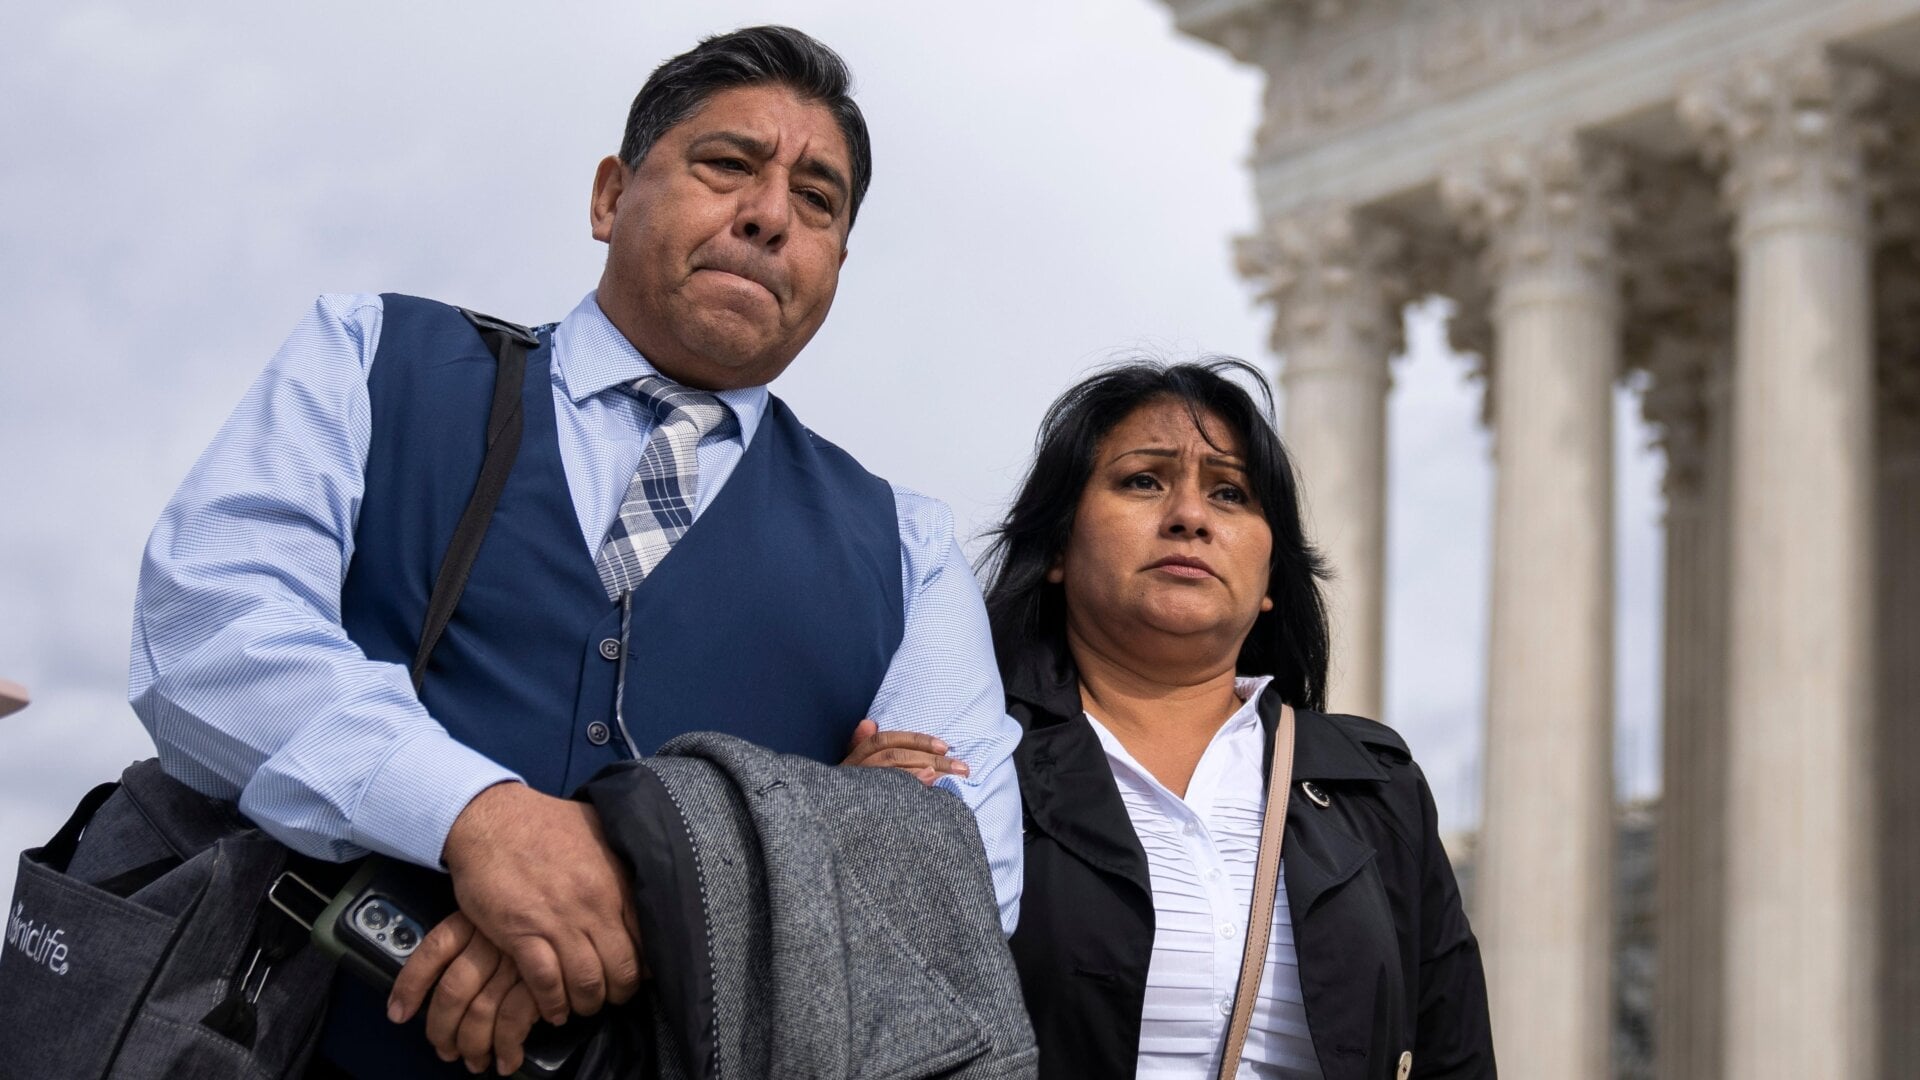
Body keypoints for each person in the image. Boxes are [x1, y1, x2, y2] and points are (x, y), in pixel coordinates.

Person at [127, 26, 1022, 1078]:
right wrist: (480, 820)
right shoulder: (373, 356)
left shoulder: (907, 545)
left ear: (834, 265)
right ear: (609, 196)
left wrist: (640, 898)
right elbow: (210, 630)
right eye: (728, 164)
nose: (770, 214)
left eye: (817, 202)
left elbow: (958, 872)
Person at [850, 360, 1494, 1077]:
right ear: (1059, 545)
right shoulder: (963, 754)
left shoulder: (1374, 787)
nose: (1190, 517)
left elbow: (1452, 1053)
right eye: (1144, 481)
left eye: (1230, 493)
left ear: (1273, 578)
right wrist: (841, 847)